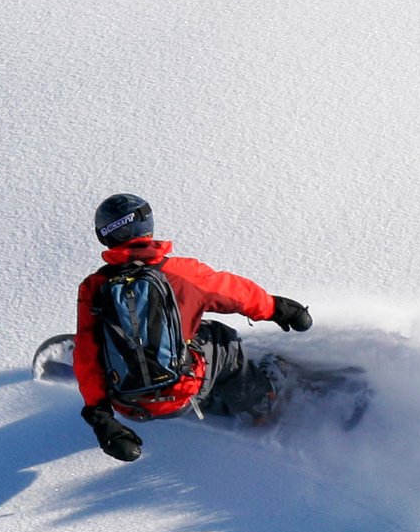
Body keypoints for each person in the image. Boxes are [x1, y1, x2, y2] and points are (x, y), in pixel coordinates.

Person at [74, 193, 312, 461]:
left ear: (104, 235)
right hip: (181, 393)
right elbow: (235, 293)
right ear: (148, 226)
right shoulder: (180, 272)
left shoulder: (94, 288)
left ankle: (208, 396)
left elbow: (86, 355)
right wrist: (277, 308)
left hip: (129, 406)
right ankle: (260, 403)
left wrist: (101, 417)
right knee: (221, 338)